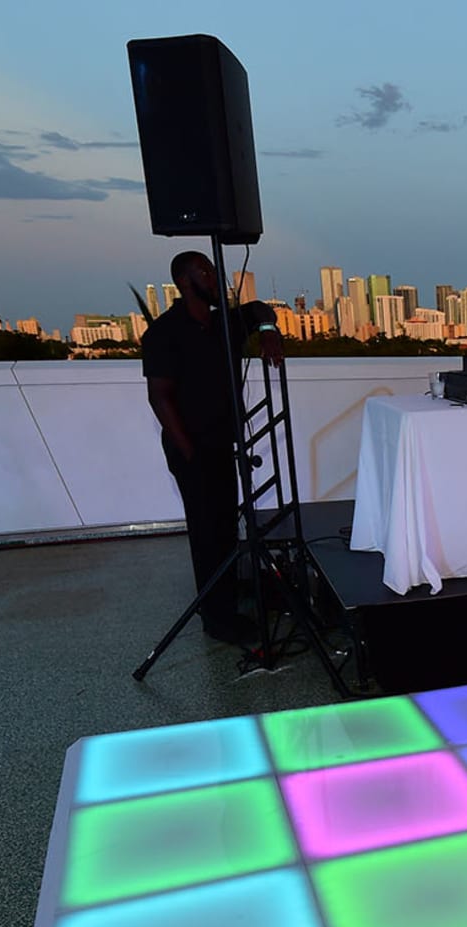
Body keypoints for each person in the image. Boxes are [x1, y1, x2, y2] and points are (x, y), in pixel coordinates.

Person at [140, 250, 281, 645]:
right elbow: (160, 397)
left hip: (221, 441)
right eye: (206, 272)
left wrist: (267, 329)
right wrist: (190, 453)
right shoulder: (165, 332)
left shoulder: (223, 323)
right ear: (185, 281)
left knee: (224, 526)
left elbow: (260, 308)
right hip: (192, 448)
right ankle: (216, 618)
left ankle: (229, 593)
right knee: (206, 531)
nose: (215, 277)